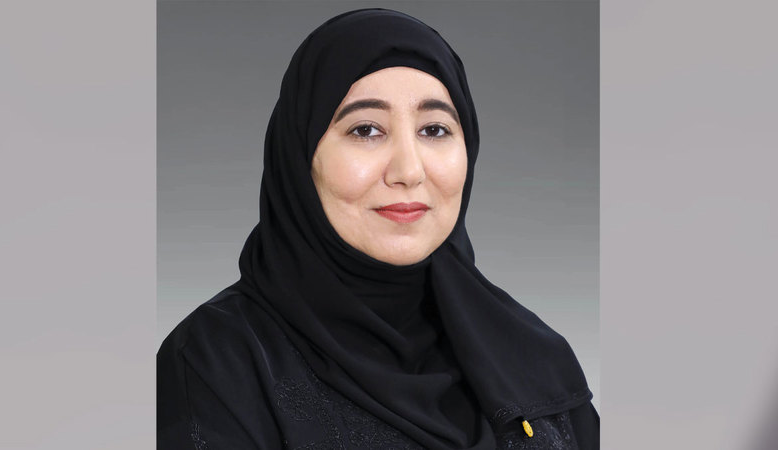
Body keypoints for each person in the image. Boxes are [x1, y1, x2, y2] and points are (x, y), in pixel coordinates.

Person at [158, 8, 599, 449]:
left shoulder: (533, 357)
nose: (408, 171)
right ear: (300, 156)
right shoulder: (215, 362)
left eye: (434, 129)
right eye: (366, 130)